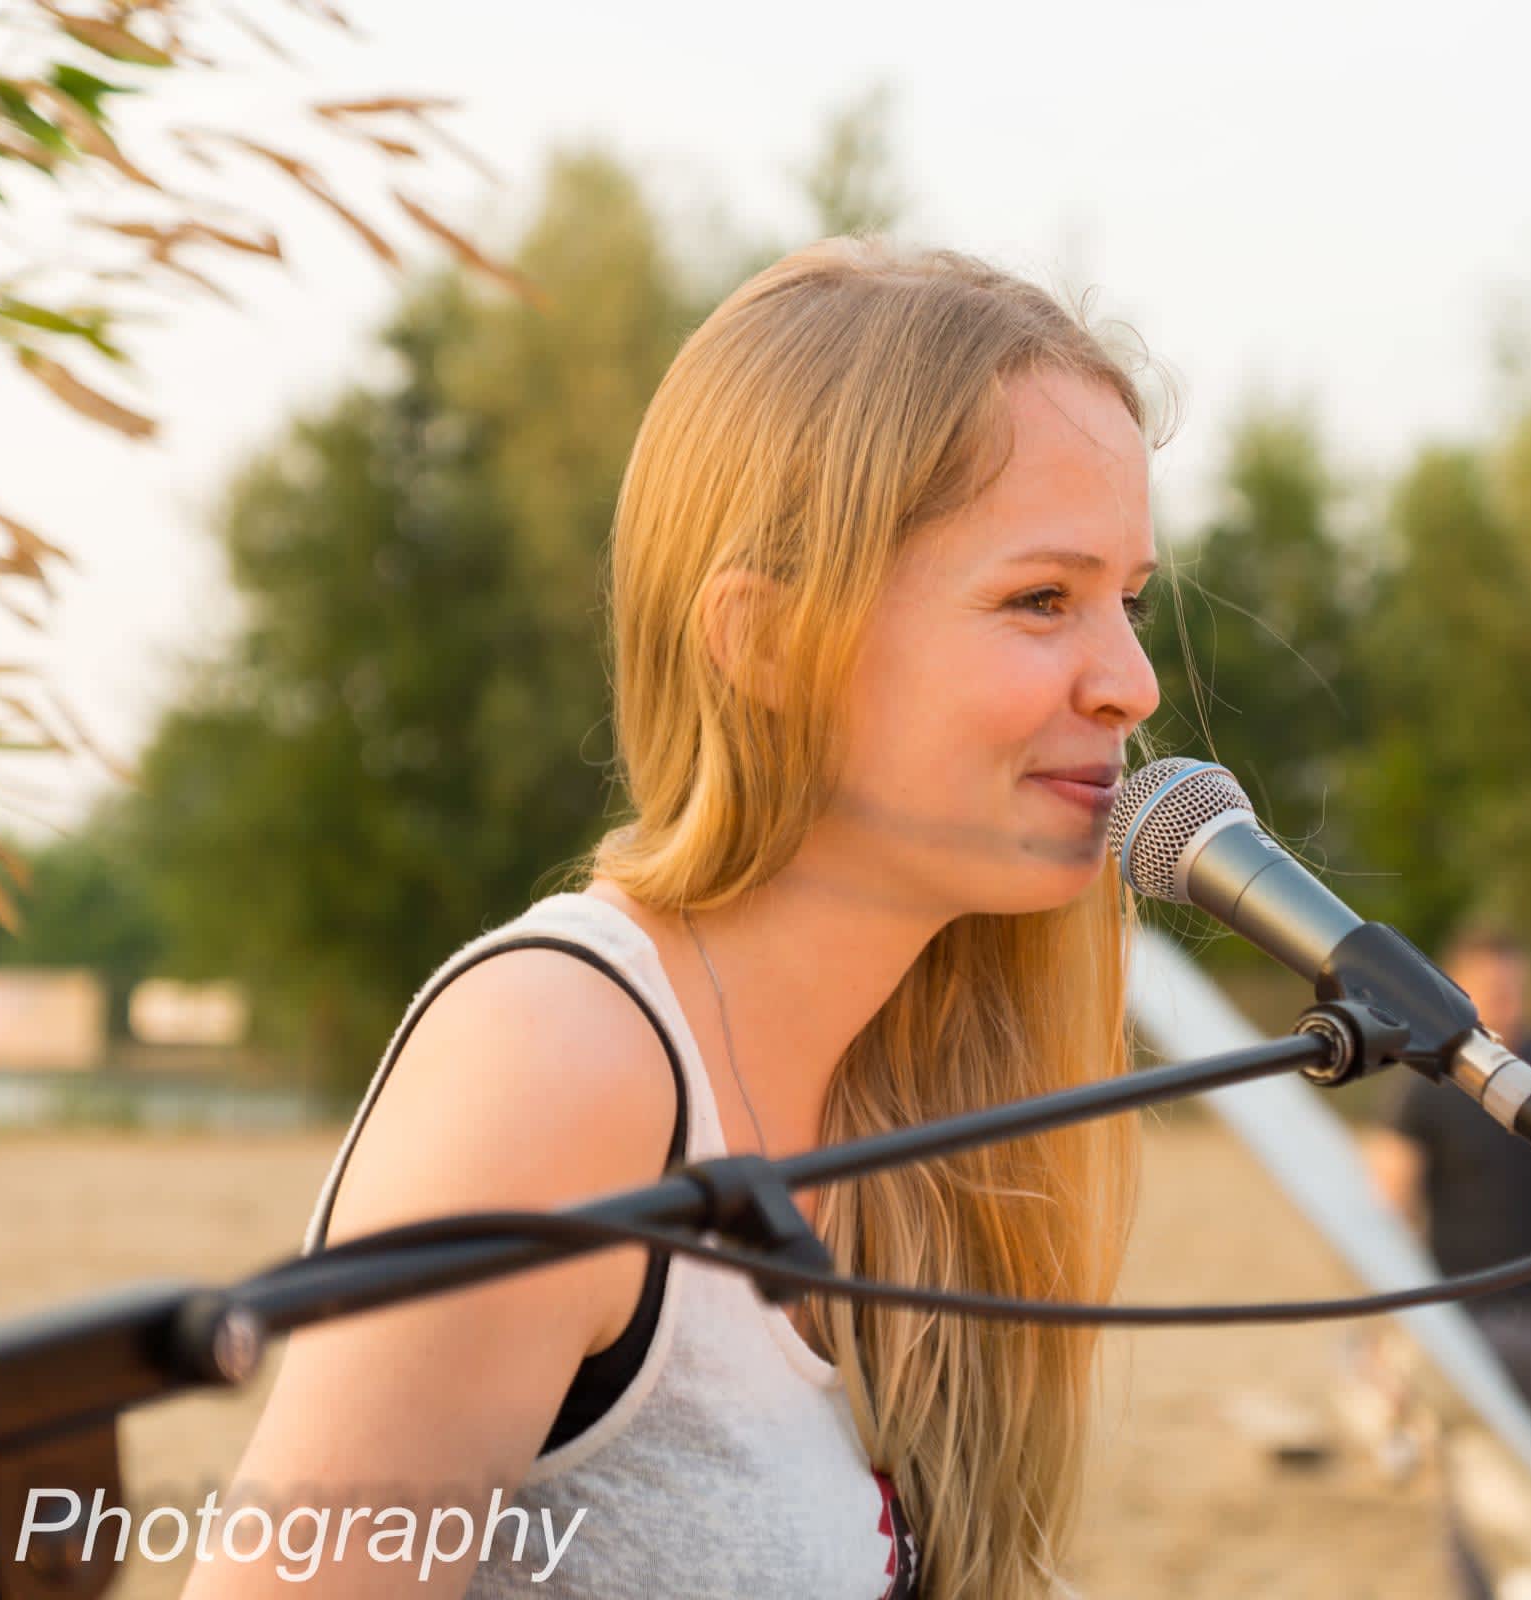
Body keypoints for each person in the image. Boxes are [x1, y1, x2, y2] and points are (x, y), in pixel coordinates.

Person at [183, 239, 1170, 1600]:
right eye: (1040, 600)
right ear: (764, 641)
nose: (1131, 681)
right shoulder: (559, 1061)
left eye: (1130, 600)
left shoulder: (920, 1100)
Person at [1365, 921, 1531, 1600]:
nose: (1504, 997)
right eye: (1489, 985)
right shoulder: (1426, 1079)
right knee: (1480, 1496)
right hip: (1466, 1323)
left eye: (1513, 984)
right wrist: (1393, 1331)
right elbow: (1386, 1205)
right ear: (1456, 989)